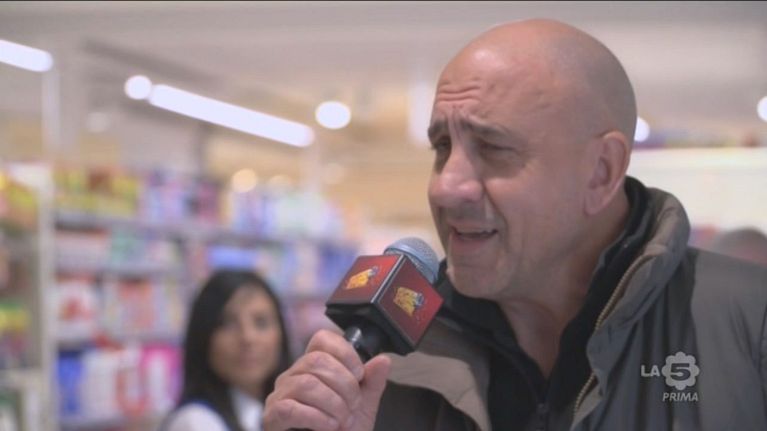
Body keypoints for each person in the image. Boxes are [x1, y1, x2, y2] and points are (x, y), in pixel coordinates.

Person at [262, 18, 767, 431]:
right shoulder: (390, 361)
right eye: (442, 146)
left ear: (601, 172)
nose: (444, 187)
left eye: (493, 148)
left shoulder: (749, 321)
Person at [164, 270, 292, 431]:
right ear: (204, 336)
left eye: (261, 322)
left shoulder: (273, 412)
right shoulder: (195, 421)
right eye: (228, 324)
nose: (248, 338)